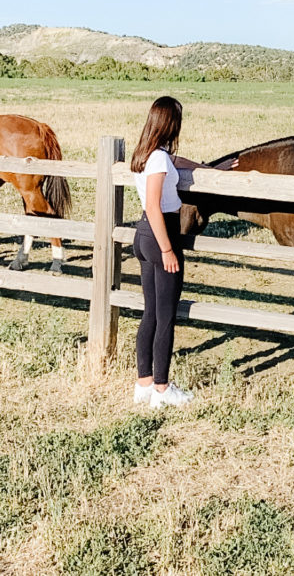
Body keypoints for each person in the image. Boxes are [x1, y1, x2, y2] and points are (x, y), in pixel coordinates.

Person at [130, 95, 194, 409]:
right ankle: (162, 389)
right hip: (160, 235)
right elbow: (154, 206)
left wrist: (212, 167)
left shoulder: (146, 154)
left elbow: (177, 164)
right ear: (170, 124)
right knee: (166, 317)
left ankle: (144, 383)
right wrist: (168, 249)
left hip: (144, 236)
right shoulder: (157, 159)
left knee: (151, 313)